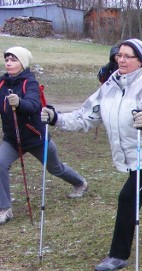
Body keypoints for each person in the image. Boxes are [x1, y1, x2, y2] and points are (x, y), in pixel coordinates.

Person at [41, 38, 142, 271]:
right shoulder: (109, 87)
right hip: (128, 155)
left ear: (140, 61)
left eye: (127, 56)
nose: (121, 60)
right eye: (119, 55)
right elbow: (86, 117)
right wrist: (57, 118)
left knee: (128, 196)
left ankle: (118, 256)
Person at [0, 46, 87, 225]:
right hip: (13, 139)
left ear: (22, 63)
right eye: (7, 59)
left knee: (56, 169)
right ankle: (5, 208)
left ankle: (80, 183)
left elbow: (32, 105)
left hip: (36, 138)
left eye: (13, 59)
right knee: (0, 163)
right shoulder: (2, 83)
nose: (9, 63)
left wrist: (19, 102)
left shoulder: (30, 83)